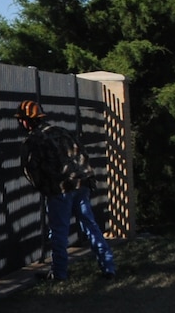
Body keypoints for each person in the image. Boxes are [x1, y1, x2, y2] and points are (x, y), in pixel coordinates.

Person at [17, 99, 116, 280]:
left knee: (59, 233)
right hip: (81, 184)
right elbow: (81, 153)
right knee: (90, 226)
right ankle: (108, 266)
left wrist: (44, 188)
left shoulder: (32, 141)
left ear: (25, 121)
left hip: (60, 189)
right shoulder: (61, 132)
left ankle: (60, 273)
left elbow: (31, 171)